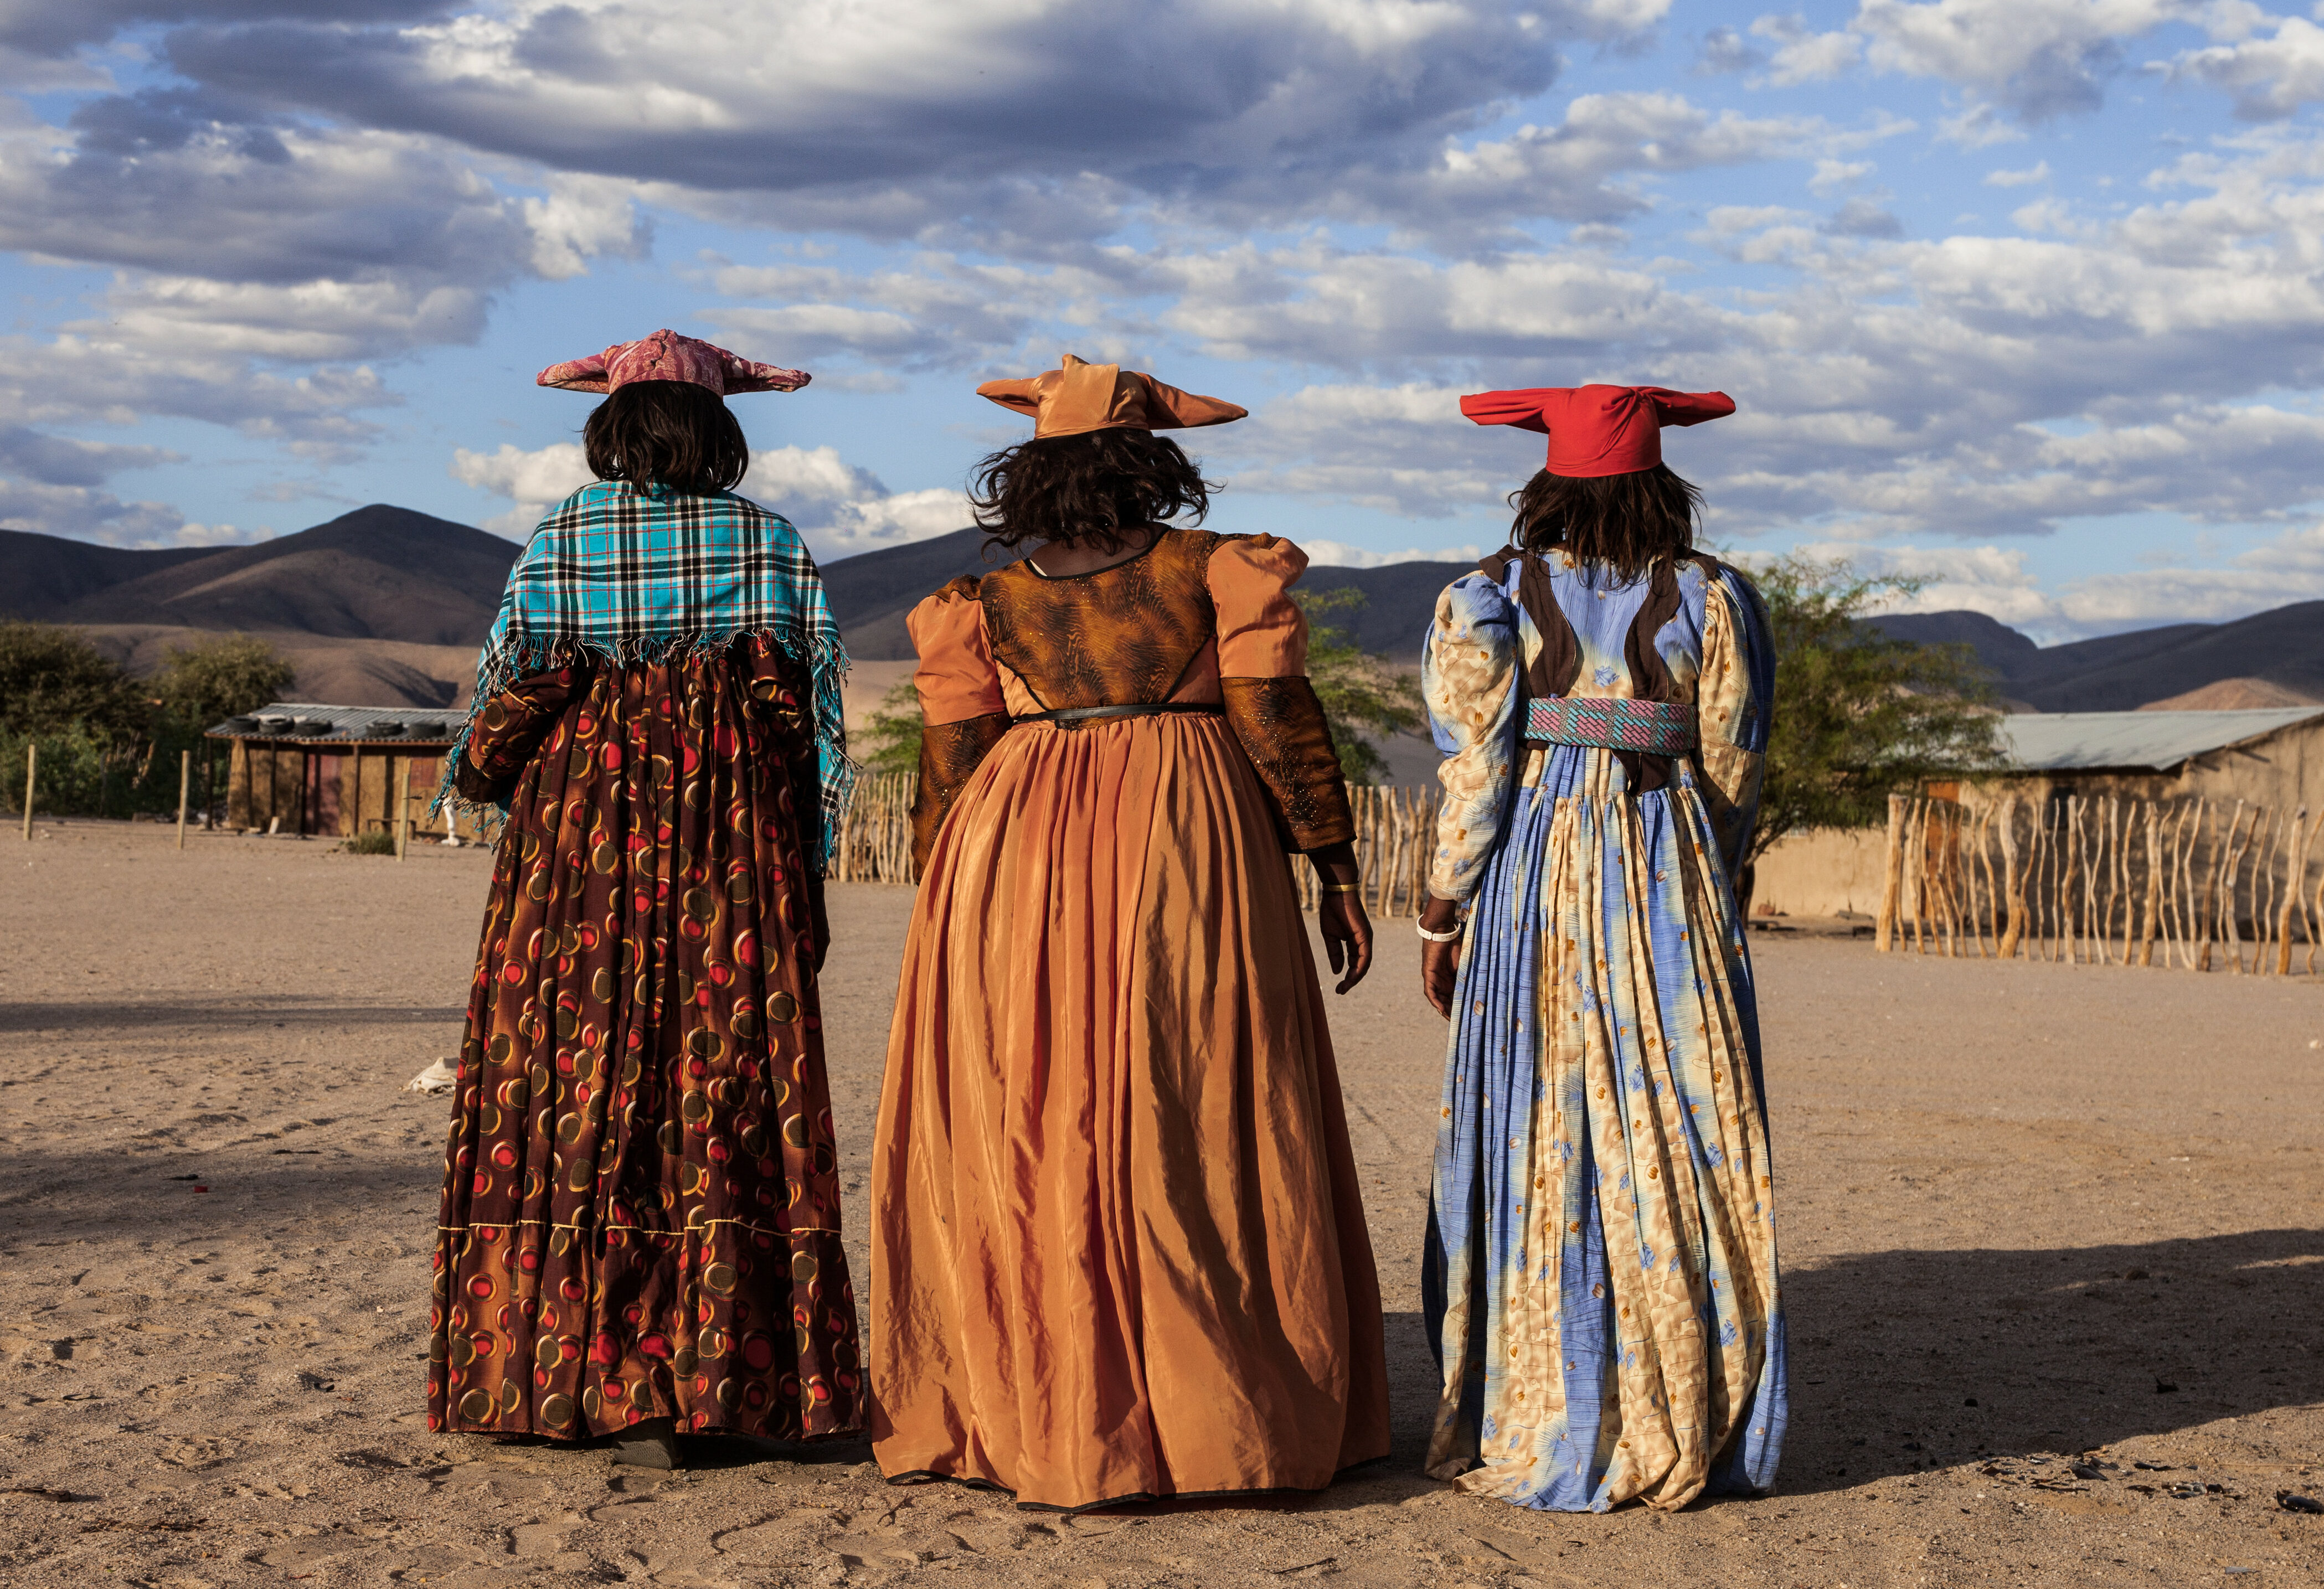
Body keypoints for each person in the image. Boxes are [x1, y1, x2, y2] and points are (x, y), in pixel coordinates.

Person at [871, 354, 1392, 1511]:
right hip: (1185, 831)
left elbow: (949, 765)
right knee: (1196, 1097)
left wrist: (940, 901)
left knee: (1037, 1101)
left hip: (1011, 849)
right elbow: (1270, 714)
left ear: (1030, 476)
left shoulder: (977, 604)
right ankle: (1221, 1409)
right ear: (1151, 462)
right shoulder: (1219, 572)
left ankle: (1041, 1406)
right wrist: (1332, 864)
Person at [426, 329, 863, 1467]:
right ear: (721, 433)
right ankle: (722, 1375)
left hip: (576, 858)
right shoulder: (767, 546)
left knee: (574, 1074)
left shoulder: (558, 544)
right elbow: (806, 733)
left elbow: (488, 745)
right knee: (719, 1081)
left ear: (607, 430)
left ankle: (561, 1374)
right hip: (731, 859)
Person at [1415, 384, 1785, 1511]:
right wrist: (1706, 881)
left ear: (1544, 484)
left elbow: (1474, 773)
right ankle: (1680, 1400)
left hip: (1534, 869)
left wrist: (1442, 909)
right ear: (1662, 483)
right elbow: (1731, 763)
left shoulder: (1482, 597)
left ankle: (1538, 1403)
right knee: (1674, 1131)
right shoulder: (1717, 597)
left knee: (1541, 1124)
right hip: (1663, 858)